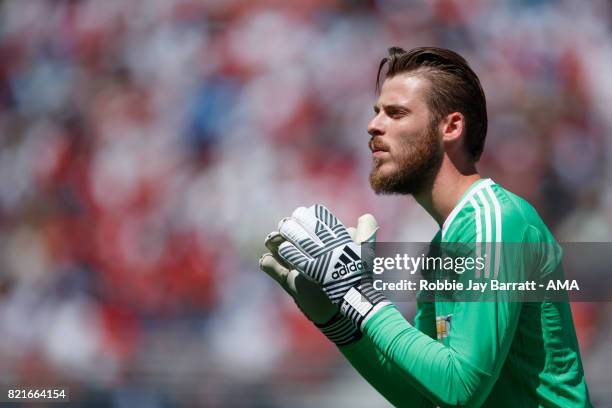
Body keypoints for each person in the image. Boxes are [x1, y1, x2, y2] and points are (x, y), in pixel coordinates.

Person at [259, 47, 591, 407]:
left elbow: (461, 388)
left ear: (450, 127)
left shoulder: (495, 222)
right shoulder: (442, 247)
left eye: (396, 113)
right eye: (376, 113)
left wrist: (359, 296)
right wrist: (337, 322)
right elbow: (425, 398)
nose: (374, 125)